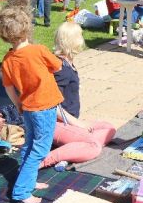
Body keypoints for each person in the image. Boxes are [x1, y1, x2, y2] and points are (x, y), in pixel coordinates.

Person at [0, 2, 63, 203]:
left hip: (27, 108)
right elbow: (58, 66)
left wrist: (17, 104)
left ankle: (28, 180)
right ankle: (21, 191)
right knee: (40, 149)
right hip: (44, 108)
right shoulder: (39, 50)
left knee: (29, 145)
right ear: (27, 28)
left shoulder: (8, 59)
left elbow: (8, 87)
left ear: (4, 35)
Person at [40, 22, 117, 168]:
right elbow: (51, 106)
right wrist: (79, 124)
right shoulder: (61, 68)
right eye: (80, 35)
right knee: (94, 146)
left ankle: (74, 149)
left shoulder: (67, 63)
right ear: (74, 41)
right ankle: (46, 160)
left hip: (68, 122)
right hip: (54, 124)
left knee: (109, 128)